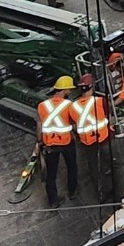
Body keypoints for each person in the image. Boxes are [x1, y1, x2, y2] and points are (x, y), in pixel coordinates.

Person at [37, 76, 78, 207]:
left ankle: (53, 201)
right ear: (65, 90)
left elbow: (39, 125)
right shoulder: (69, 105)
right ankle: (72, 191)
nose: (70, 92)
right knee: (72, 167)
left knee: (51, 173)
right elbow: (74, 123)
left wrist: (40, 141)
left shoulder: (42, 106)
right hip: (67, 142)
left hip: (50, 144)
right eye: (69, 89)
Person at [71, 73, 110, 190]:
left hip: (87, 142)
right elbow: (108, 114)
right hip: (104, 138)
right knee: (115, 164)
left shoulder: (73, 107)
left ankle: (101, 192)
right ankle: (118, 190)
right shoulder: (100, 101)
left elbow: (74, 122)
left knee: (94, 168)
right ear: (92, 87)